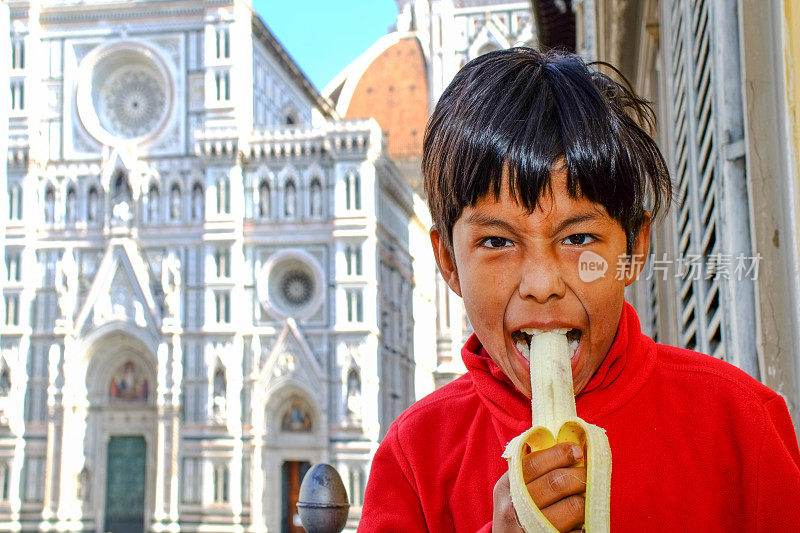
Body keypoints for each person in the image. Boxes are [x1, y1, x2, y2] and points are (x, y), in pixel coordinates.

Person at [359, 48, 800, 532]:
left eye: (577, 238)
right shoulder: (413, 458)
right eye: (497, 241)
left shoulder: (740, 424)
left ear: (633, 249)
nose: (543, 284)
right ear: (449, 263)